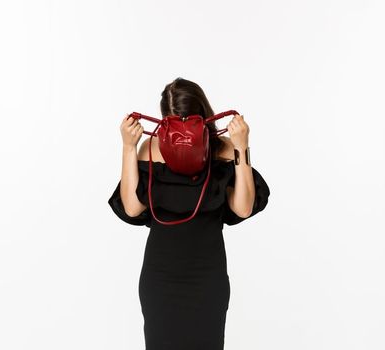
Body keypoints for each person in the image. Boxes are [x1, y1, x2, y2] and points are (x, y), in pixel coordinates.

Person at [107, 77, 271, 349]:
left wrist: (242, 146)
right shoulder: (150, 147)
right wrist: (127, 147)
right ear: (164, 121)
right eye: (174, 123)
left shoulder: (225, 149)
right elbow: (132, 207)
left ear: (203, 118)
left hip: (206, 278)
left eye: (188, 122)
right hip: (161, 278)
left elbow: (243, 207)